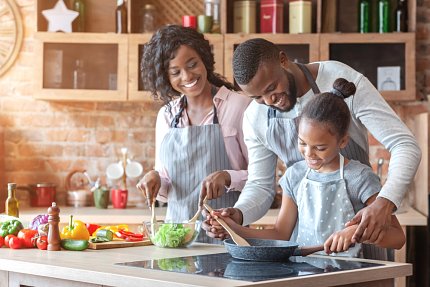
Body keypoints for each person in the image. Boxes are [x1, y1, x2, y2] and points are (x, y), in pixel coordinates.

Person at [203, 38, 420, 255]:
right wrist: (238, 215)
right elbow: (260, 185)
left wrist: (384, 202)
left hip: (365, 234)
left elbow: (404, 144)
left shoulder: (338, 79)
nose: (269, 100)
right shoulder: (255, 117)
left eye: (271, 87)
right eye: (258, 97)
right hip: (307, 246)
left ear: (283, 60)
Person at [137, 25, 251, 243]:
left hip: (228, 234)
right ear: (165, 77)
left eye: (192, 65)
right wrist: (155, 178)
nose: (187, 76)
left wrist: (228, 176)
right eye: (175, 72)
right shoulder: (167, 116)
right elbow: (166, 181)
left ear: (204, 59)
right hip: (176, 239)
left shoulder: (239, 106)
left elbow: (261, 180)